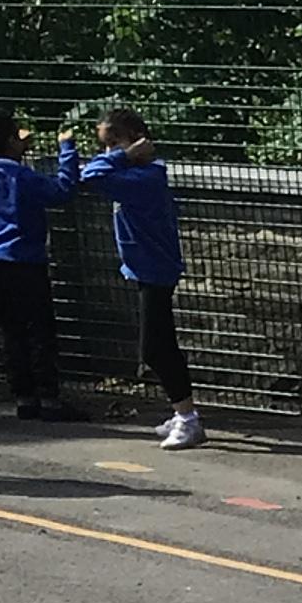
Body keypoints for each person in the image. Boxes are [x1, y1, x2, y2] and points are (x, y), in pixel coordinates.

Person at [75, 107, 200, 446]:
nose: (108, 152)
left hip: (156, 270)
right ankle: (182, 413)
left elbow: (91, 177)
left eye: (114, 143)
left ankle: (188, 419)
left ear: (137, 140)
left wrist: (123, 156)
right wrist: (122, 155)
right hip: (145, 269)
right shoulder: (134, 173)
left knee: (155, 350)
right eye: (104, 146)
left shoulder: (145, 178)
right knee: (162, 344)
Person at [0, 108, 78, 421]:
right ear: (10, 141)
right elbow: (61, 191)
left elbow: (7, 164)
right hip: (26, 261)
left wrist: (17, 149)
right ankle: (48, 397)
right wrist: (67, 149)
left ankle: (23, 395)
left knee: (11, 330)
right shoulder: (22, 176)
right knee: (39, 329)